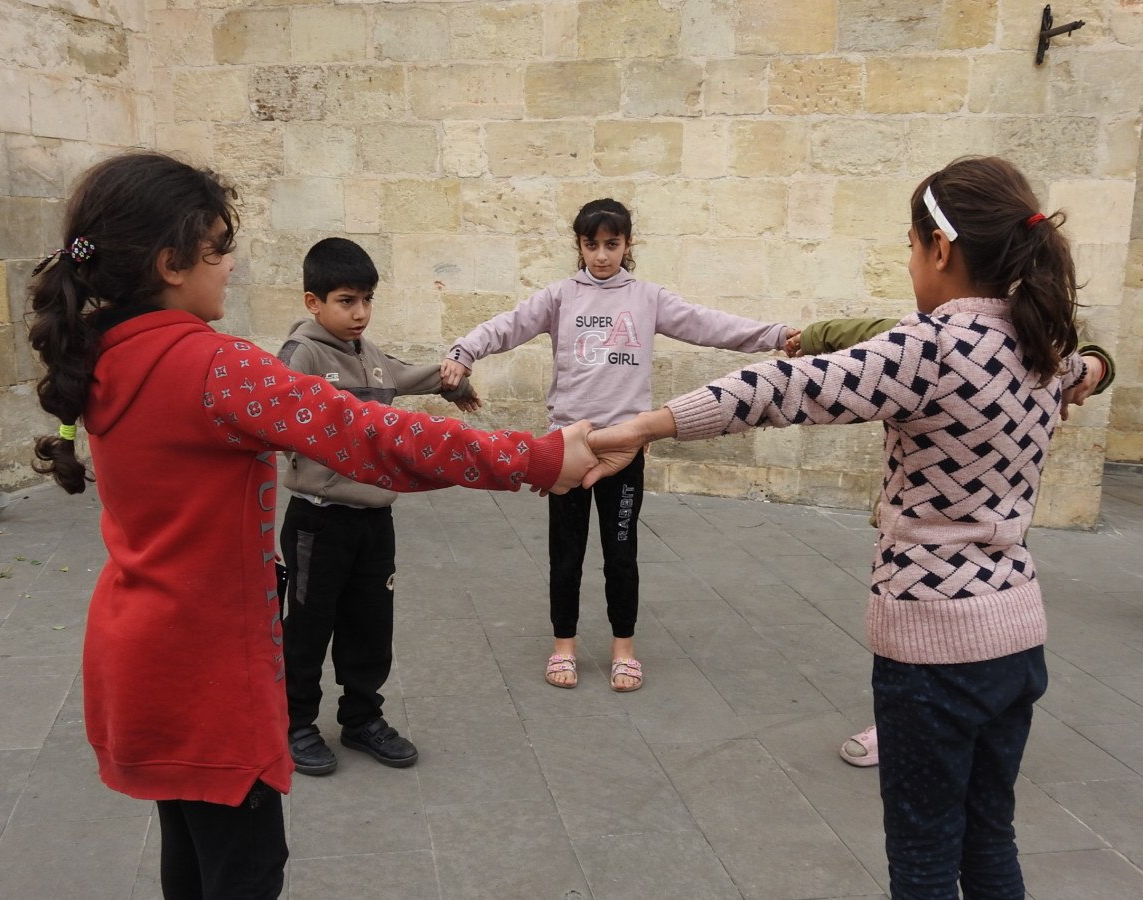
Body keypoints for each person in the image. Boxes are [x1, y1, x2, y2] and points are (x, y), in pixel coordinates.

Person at [26, 151, 594, 899]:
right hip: (208, 673)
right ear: (170, 262)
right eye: (219, 247)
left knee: (193, 860)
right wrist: (538, 458)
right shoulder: (212, 366)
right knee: (246, 872)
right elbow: (370, 436)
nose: (230, 265)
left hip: (138, 658)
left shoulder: (105, 354)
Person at [584, 156, 1088, 898]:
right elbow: (1086, 371)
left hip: (934, 644)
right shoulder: (1043, 345)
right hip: (1017, 637)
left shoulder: (932, 347)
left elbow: (782, 387)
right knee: (990, 837)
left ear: (941, 249)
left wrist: (651, 425)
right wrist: (1097, 367)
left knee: (922, 858)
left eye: (911, 245)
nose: (911, 260)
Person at [440, 198, 793, 692]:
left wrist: (776, 336)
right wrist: (464, 351)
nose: (601, 255)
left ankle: (623, 648)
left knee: (620, 553)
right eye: (591, 245)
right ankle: (564, 644)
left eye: (612, 244)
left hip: (623, 451)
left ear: (628, 245)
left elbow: (709, 324)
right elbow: (507, 324)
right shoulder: (561, 296)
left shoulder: (648, 298)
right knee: (565, 555)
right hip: (568, 449)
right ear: (579, 246)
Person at [787, 319, 1115, 768]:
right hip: (996, 566)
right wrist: (811, 337)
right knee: (989, 814)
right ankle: (949, 718)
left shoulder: (1026, 344)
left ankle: (918, 722)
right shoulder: (945, 338)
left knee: (938, 638)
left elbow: (1090, 363)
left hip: (958, 552)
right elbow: (863, 331)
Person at [279, 237, 482, 776]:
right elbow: (274, 409)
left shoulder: (368, 354)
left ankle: (361, 718)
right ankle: (295, 723)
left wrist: (449, 382)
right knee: (307, 626)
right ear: (313, 302)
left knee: (370, 625)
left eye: (367, 300)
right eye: (347, 300)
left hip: (373, 521)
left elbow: (401, 375)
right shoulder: (302, 354)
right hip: (317, 523)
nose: (361, 313)